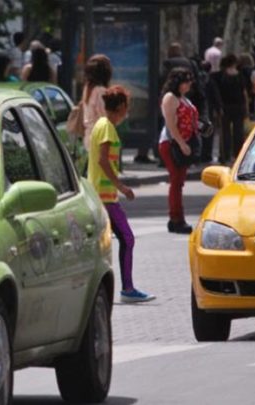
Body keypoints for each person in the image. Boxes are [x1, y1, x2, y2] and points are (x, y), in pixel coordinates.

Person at [87, 85, 155, 303]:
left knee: (103, 243)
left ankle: (104, 288)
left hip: (102, 195)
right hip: (106, 197)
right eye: (127, 107)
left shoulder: (101, 124)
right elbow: (103, 160)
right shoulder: (107, 127)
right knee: (127, 238)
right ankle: (127, 288)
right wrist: (122, 187)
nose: (128, 112)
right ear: (121, 107)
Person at [159, 68, 198, 235]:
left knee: (179, 182)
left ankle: (176, 218)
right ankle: (176, 218)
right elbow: (170, 124)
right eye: (185, 80)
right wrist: (182, 144)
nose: (189, 84)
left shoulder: (184, 99)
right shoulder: (170, 98)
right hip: (171, 144)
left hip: (183, 143)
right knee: (176, 181)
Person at [216, 55, 248, 165]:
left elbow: (218, 92)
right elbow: (244, 93)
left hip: (225, 107)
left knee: (225, 132)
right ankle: (238, 155)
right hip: (238, 106)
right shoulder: (240, 76)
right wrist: (246, 107)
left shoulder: (221, 76)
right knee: (238, 132)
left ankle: (225, 156)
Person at [81, 54, 113, 162]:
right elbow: (104, 116)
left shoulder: (88, 89)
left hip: (89, 136)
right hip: (100, 139)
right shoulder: (100, 91)